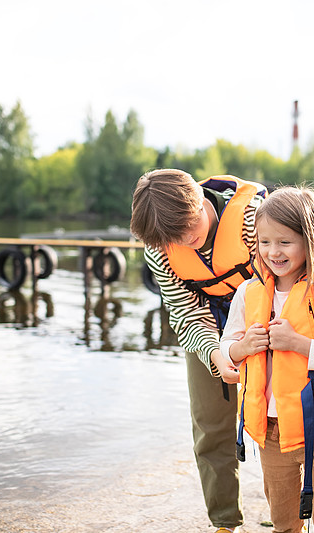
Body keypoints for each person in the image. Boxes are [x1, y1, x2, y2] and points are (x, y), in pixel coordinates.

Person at [220, 185, 314, 533]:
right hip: (271, 430)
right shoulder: (248, 292)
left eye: (285, 242)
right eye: (265, 241)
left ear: (310, 240)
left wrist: (299, 343)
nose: (274, 251)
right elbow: (227, 347)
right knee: (283, 522)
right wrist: (241, 349)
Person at [130, 169, 267, 533]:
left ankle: (295, 511)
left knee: (283, 415)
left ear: (199, 200)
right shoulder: (161, 247)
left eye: (189, 225)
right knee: (210, 427)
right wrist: (217, 355)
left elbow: (284, 279)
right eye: (174, 238)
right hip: (207, 326)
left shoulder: (251, 219)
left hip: (266, 319)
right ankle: (225, 523)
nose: (186, 240)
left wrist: (250, 342)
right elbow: (184, 311)